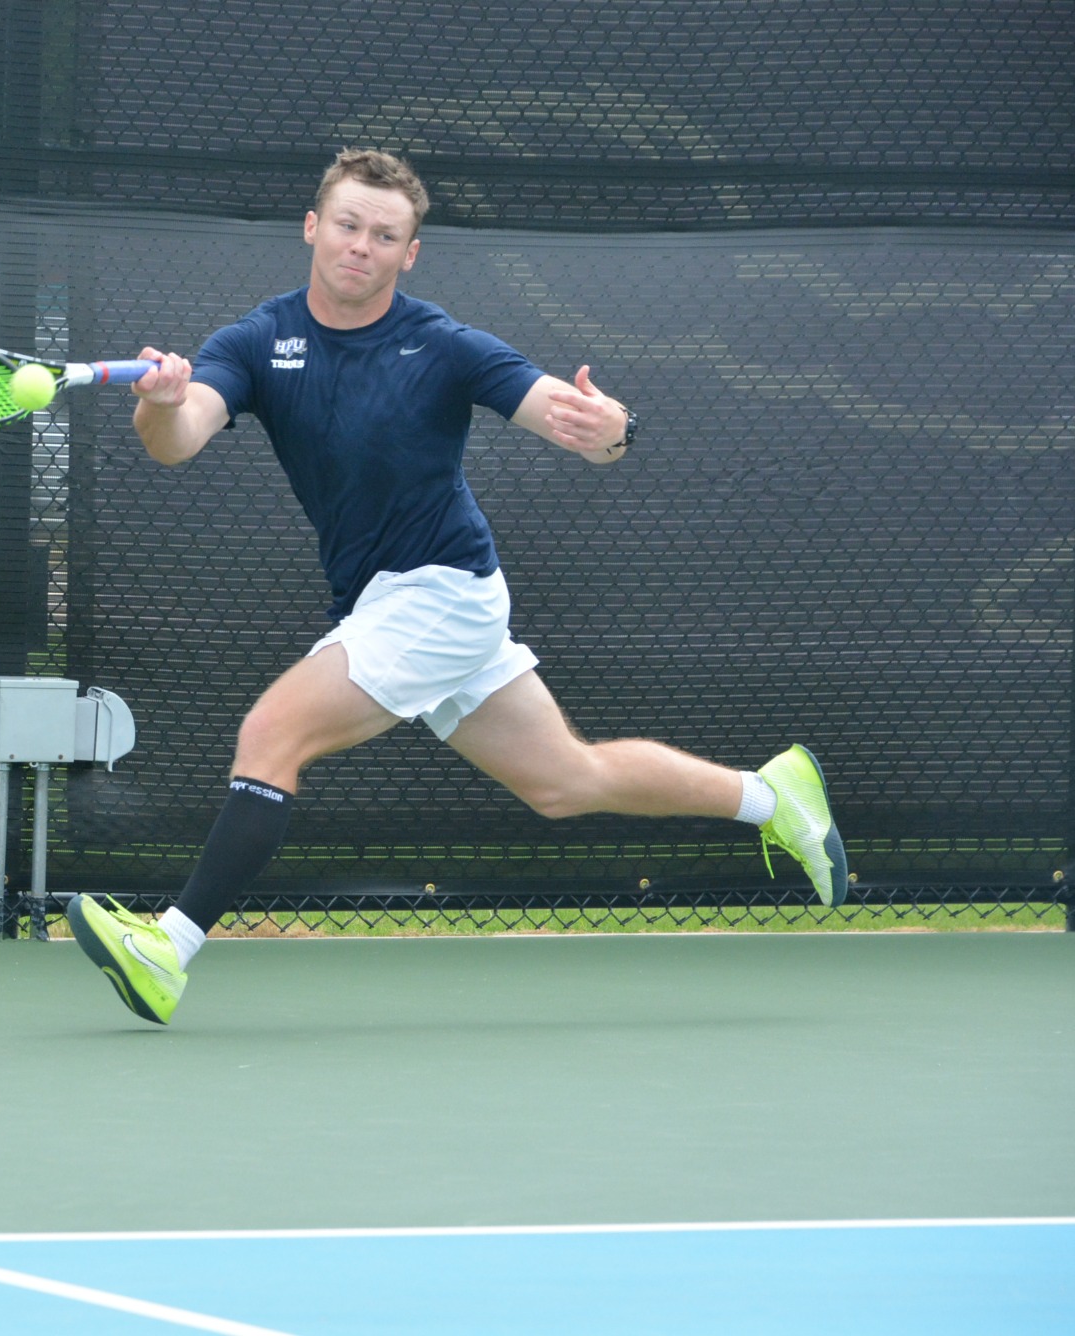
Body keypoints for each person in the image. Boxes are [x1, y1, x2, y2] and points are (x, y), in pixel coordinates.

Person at [65, 149, 845, 1026]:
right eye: (350, 225)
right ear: (314, 227)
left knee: (272, 731)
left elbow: (576, 419)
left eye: (385, 235)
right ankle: (775, 796)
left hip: (442, 592)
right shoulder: (256, 341)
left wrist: (612, 427)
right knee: (565, 782)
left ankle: (169, 947)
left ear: (410, 254)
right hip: (393, 603)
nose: (363, 246)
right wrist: (162, 401)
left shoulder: (439, 344)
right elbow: (177, 438)